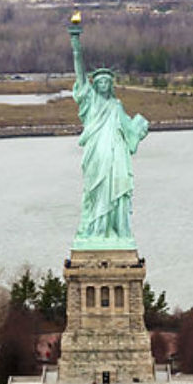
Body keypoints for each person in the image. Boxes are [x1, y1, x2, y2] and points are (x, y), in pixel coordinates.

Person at [68, 19, 149, 247]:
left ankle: (114, 229)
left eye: (106, 81)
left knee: (115, 187)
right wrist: (76, 46)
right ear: (96, 85)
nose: (103, 84)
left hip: (115, 154)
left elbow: (131, 132)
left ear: (111, 85)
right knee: (96, 190)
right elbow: (80, 76)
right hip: (96, 153)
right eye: (100, 81)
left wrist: (140, 130)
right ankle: (96, 229)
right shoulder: (91, 101)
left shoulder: (116, 105)